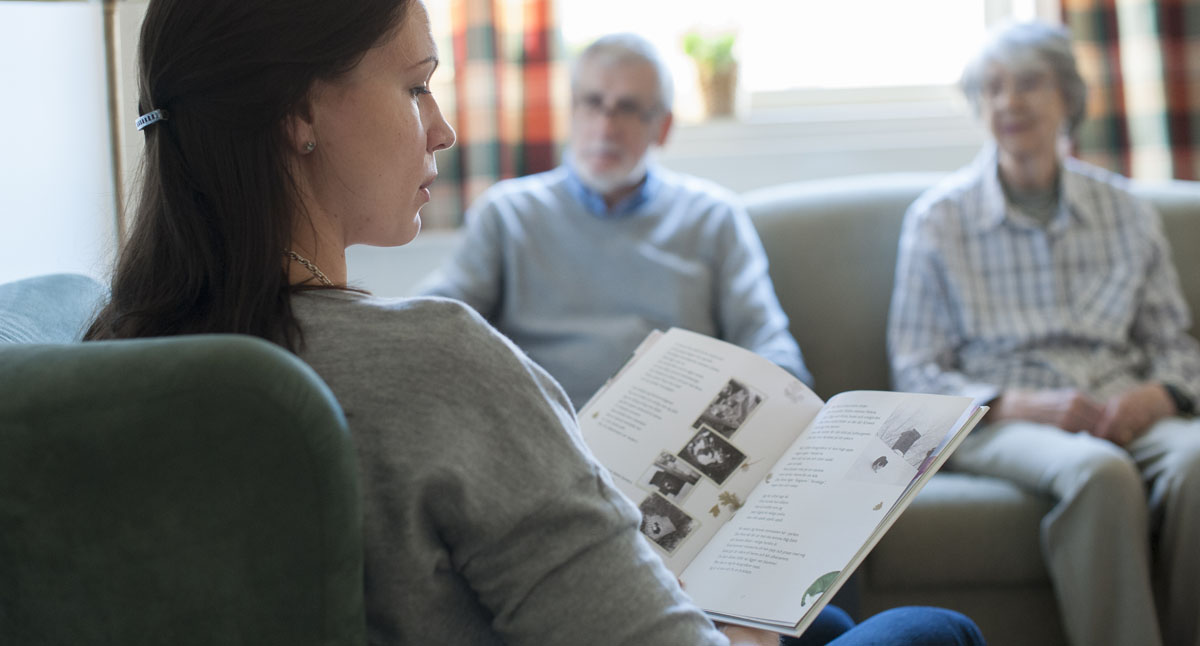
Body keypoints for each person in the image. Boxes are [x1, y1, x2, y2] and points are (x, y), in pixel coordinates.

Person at [86, 1, 985, 644]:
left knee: (821, 615)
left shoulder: (106, 356)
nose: (439, 129)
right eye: (414, 87)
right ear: (298, 114)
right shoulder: (443, 351)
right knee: (932, 628)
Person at [887, 21, 1200, 646]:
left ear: (1068, 99)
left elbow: (1177, 345)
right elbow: (916, 370)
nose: (1009, 103)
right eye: (992, 89)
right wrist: (1028, 406)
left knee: (1197, 462)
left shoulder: (1125, 209)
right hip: (998, 418)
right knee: (1100, 474)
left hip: (1121, 402)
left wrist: (1156, 398)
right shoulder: (940, 220)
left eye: (1028, 84)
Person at [418, 33, 812, 409]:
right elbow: (435, 319)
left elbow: (770, 347)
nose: (606, 127)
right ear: (571, 110)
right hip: (544, 431)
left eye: (628, 108)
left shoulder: (713, 217)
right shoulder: (508, 214)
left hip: (674, 439)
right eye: (592, 103)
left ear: (663, 127)